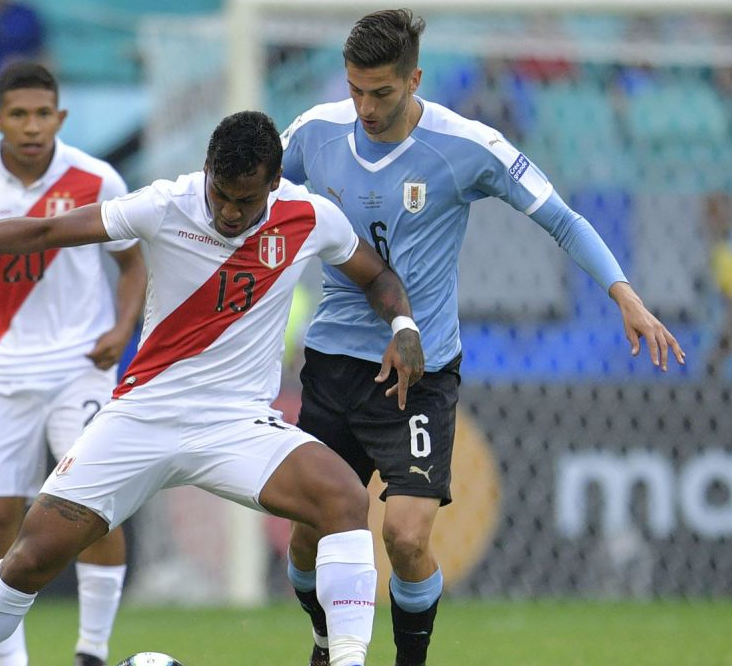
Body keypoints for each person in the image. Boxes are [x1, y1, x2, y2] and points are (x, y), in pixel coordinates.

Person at [0, 110, 425, 666]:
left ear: (274, 182)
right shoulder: (165, 204)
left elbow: (376, 275)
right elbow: (49, 231)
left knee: (344, 498)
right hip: (143, 414)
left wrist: (404, 325)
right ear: (207, 170)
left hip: (236, 423)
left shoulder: (311, 216)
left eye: (245, 201)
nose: (229, 212)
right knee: (31, 557)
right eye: (220, 194)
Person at [279, 9, 686, 666]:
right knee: (307, 537)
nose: (365, 108)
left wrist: (623, 293)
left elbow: (562, 219)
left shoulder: (467, 146)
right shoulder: (314, 133)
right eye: (355, 90)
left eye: (380, 92)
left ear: (414, 79)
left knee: (406, 537)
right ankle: (325, 642)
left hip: (421, 370)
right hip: (334, 364)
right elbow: (248, 199)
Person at [0, 62, 147, 666]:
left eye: (43, 114)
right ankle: (12, 662)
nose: (32, 126)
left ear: (61, 117)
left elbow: (133, 265)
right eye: (19, 114)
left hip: (80, 366)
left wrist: (123, 329)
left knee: (94, 509)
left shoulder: (98, 178)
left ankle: (92, 652)